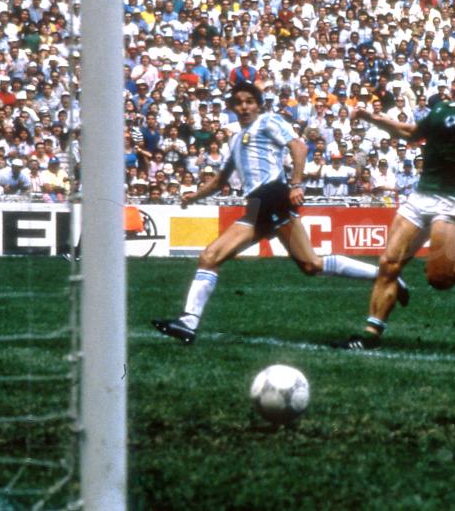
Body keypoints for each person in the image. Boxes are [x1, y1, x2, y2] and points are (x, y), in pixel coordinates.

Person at [152, 82, 409, 345]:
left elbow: (299, 147)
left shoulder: (268, 121)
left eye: (249, 101)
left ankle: (387, 277)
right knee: (221, 257)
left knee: (308, 264)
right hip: (256, 204)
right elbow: (220, 180)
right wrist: (193, 196)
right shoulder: (235, 138)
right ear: (231, 107)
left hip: (273, 196)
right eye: (238, 102)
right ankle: (188, 323)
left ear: (258, 104)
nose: (244, 106)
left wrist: (296, 184)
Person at [334, 53, 455, 350]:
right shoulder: (440, 107)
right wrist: (375, 119)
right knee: (388, 264)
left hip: (450, 201)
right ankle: (371, 333)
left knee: (439, 278)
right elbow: (411, 133)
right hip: (420, 197)